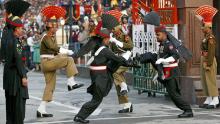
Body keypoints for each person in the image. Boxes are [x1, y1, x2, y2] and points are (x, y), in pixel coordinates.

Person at [73, 27, 135, 123]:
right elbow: (116, 59)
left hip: (96, 75)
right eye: (108, 39)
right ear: (105, 39)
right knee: (96, 100)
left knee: (96, 98)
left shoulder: (97, 49)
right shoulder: (105, 50)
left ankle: (80, 116)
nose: (109, 41)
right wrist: (129, 62)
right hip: (100, 77)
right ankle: (79, 116)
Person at [135, 25, 193, 118]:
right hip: (165, 71)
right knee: (151, 55)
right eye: (156, 35)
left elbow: (176, 56)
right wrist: (159, 72)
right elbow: (159, 60)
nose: (156, 37)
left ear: (164, 34)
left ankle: (188, 110)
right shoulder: (162, 45)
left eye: (158, 35)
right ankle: (138, 60)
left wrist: (164, 61)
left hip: (172, 72)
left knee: (174, 95)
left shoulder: (168, 44)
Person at [36, 6, 83, 118]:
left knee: (50, 85)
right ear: (49, 27)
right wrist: (67, 51)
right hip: (47, 62)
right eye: (54, 26)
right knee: (69, 59)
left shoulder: (51, 36)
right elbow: (55, 49)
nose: (56, 28)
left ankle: (41, 109)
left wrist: (63, 52)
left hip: (49, 61)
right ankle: (71, 82)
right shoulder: (46, 36)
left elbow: (56, 52)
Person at [2, 14, 29, 124]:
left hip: (8, 77)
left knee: (10, 108)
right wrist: (23, 75)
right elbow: (18, 59)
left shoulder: (6, 40)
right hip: (16, 78)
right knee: (18, 109)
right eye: (21, 28)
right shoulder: (16, 42)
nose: (22, 30)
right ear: (16, 29)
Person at [195, 5, 219, 109]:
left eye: (203, 26)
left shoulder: (210, 38)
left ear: (208, 27)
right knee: (204, 80)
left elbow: (212, 52)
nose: (202, 28)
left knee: (210, 80)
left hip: (208, 60)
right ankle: (209, 97)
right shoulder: (206, 37)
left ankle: (215, 99)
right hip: (203, 59)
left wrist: (208, 64)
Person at [109, 25, 134, 113]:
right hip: (117, 60)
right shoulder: (112, 37)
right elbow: (111, 51)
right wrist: (111, 41)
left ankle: (124, 86)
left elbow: (130, 46)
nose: (112, 30)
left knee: (114, 72)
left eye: (113, 28)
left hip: (125, 60)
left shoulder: (125, 36)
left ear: (118, 28)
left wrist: (117, 42)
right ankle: (127, 105)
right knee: (118, 85)